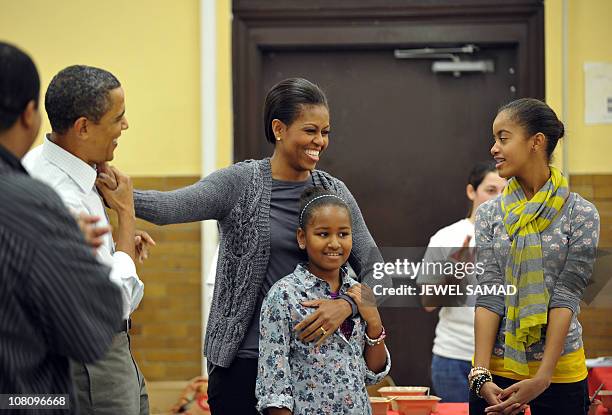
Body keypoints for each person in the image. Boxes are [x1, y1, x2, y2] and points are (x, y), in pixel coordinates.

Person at [119, 78, 385, 414]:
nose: (320, 141)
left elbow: (380, 273)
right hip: (243, 363)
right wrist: (113, 190)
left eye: (325, 132)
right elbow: (170, 207)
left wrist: (347, 304)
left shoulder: (333, 192)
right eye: (310, 130)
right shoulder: (240, 183)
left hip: (312, 368)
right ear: (279, 128)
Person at [0, 42, 123, 414]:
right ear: (29, 115)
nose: (125, 126)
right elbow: (94, 331)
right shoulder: (32, 202)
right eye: (119, 117)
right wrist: (63, 250)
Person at [22, 65, 150, 415]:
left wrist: (116, 245)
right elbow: (113, 301)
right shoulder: (63, 194)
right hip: (93, 362)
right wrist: (126, 216)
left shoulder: (44, 163)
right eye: (118, 117)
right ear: (83, 127)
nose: (125, 126)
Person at [469, 98, 600, 415]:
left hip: (560, 374)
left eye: (503, 137)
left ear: (536, 142)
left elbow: (566, 295)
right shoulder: (489, 215)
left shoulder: (580, 214)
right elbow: (489, 291)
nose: (493, 149)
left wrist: (542, 378)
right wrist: (480, 374)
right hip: (494, 377)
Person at [256, 186, 391, 414]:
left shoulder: (358, 292)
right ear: (302, 237)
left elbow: (373, 373)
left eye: (343, 234)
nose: (335, 243)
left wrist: (375, 323)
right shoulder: (285, 295)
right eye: (323, 234)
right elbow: (274, 385)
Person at [417, 161, 506, 402]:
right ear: (471, 191)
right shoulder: (446, 237)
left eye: (505, 191)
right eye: (490, 190)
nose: (498, 199)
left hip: (506, 360)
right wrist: (453, 274)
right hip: (454, 357)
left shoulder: (518, 237)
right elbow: (428, 302)